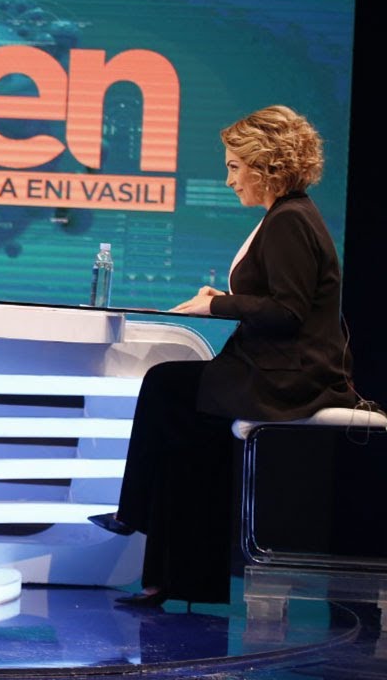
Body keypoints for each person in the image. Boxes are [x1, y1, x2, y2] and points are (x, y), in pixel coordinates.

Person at [89, 106, 358, 606]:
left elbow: (288, 312)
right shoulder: (287, 215)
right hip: (272, 367)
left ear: (265, 165)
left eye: (235, 167)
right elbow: (278, 300)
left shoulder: (290, 219)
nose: (229, 179)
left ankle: (138, 520)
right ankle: (170, 573)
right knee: (182, 418)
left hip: (289, 377)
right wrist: (225, 299)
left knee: (167, 386)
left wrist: (218, 304)